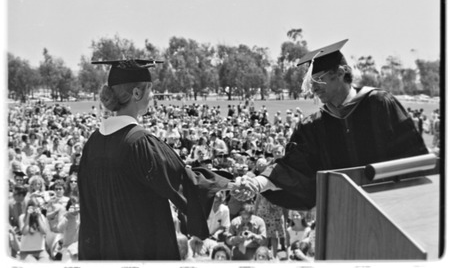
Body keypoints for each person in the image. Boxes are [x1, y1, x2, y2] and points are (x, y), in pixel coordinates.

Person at [234, 39, 429, 210]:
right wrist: (257, 183)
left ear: (341, 73)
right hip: (342, 213)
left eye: (319, 79)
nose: (313, 87)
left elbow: (413, 157)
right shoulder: (313, 127)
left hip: (392, 208)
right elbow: (293, 170)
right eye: (311, 82)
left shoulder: (379, 104)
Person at [78, 58, 237, 260]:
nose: (153, 96)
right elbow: (184, 180)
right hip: (139, 250)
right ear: (136, 93)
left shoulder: (93, 144)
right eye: (150, 90)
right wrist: (229, 183)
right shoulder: (139, 142)